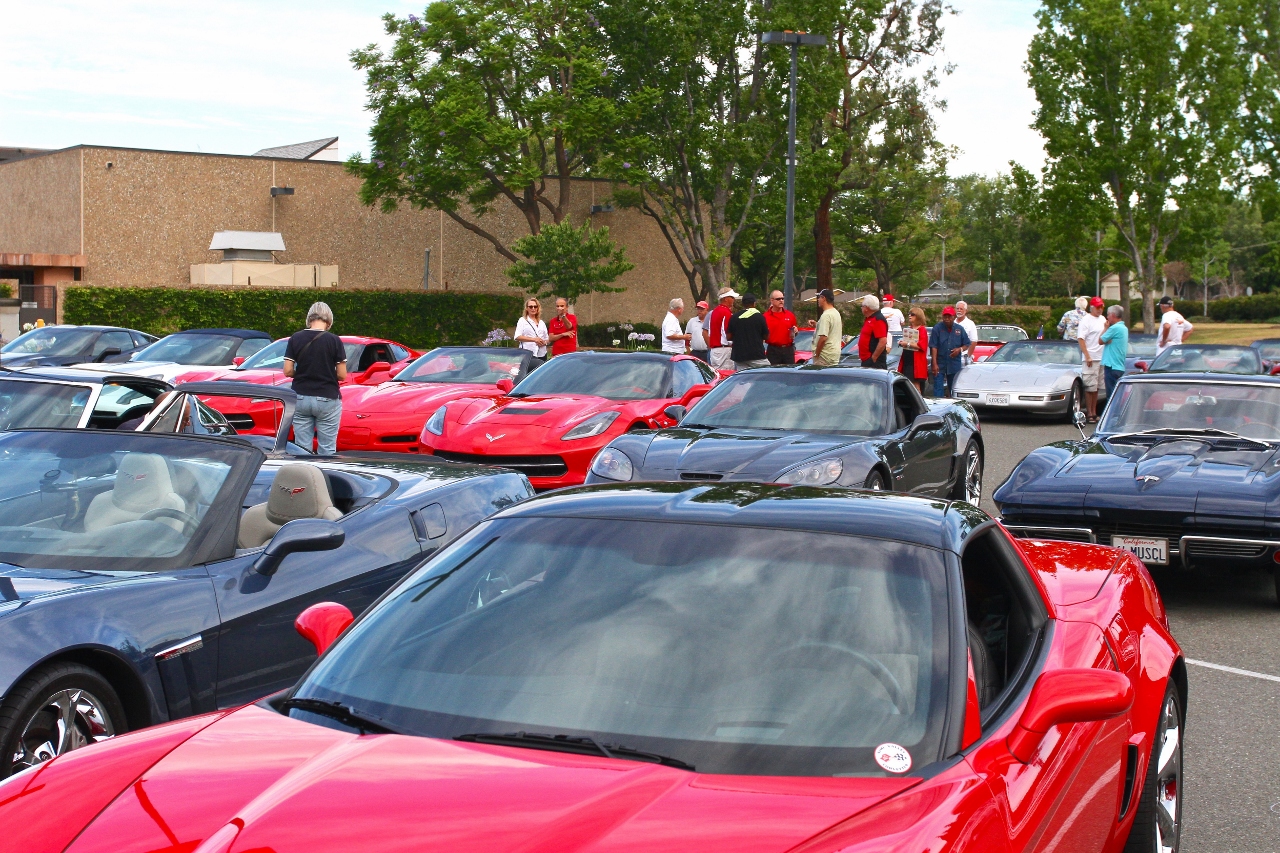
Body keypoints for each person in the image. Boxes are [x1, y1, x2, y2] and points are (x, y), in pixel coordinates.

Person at [283, 301, 347, 456]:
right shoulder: (334, 340)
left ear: (309, 319)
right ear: (329, 320)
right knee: (327, 448)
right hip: (328, 397)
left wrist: (304, 373)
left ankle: (305, 478)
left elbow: (287, 371)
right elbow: (342, 375)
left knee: (302, 448)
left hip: (300, 397)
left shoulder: (295, 338)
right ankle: (326, 478)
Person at [1076, 296, 1106, 422]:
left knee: (1097, 387)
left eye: (1101, 307)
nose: (1100, 310)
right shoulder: (1086, 320)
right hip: (1091, 357)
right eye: (1098, 307)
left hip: (1101, 356)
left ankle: (1094, 411)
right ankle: (1090, 413)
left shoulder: (1102, 319)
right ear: (1092, 307)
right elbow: (1081, 338)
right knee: (1090, 386)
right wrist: (1087, 355)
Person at [929, 306, 970, 398]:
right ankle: (938, 406)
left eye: (949, 317)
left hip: (954, 363)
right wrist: (934, 363)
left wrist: (959, 349)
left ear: (954, 317)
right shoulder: (937, 328)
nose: (947, 319)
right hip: (940, 362)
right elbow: (934, 346)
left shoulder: (959, 329)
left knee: (953, 388)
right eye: (945, 317)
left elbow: (967, 344)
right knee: (938, 388)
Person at [728, 293, 769, 371]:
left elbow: (728, 336)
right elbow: (766, 336)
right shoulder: (759, 317)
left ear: (743, 304)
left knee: (744, 379)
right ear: (754, 303)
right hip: (756, 355)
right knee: (766, 373)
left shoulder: (734, 317)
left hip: (739, 356)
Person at [1100, 304, 1129, 400]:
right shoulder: (1124, 328)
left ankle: (1113, 414)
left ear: (1113, 315)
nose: (1107, 317)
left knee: (1111, 396)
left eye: (1108, 314)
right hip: (1119, 365)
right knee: (1117, 394)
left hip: (1111, 366)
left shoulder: (1114, 328)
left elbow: (1100, 340)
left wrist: (1105, 328)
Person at [898, 306, 929, 394]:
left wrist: (907, 344)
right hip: (907, 359)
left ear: (918, 316)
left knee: (915, 384)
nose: (910, 316)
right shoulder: (909, 329)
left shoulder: (922, 330)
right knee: (907, 383)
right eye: (909, 314)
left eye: (912, 314)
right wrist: (902, 342)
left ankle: (918, 402)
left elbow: (922, 345)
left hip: (916, 362)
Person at [707, 288, 737, 371]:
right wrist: (733, 342)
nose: (733, 300)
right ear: (726, 299)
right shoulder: (726, 312)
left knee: (716, 375)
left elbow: (710, 332)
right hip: (724, 349)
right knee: (726, 376)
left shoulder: (714, 312)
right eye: (732, 297)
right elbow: (726, 332)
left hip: (714, 350)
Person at [764, 290, 798, 365]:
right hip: (773, 350)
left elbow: (794, 333)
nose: (781, 301)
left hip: (788, 349)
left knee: (789, 373)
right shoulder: (765, 317)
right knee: (773, 374)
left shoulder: (790, 315)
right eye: (778, 299)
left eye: (782, 298)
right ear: (772, 300)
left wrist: (796, 331)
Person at [812, 289, 843, 367]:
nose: (818, 300)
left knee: (820, 378)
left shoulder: (826, 316)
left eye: (819, 297)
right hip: (834, 355)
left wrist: (816, 353)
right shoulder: (836, 313)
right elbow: (831, 329)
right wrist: (817, 324)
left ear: (824, 298)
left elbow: (823, 337)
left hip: (824, 356)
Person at [857, 294, 889, 368]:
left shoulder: (878, 319)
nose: (861, 308)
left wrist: (873, 358)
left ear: (866, 308)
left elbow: (883, 341)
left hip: (873, 361)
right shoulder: (869, 318)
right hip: (866, 359)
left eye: (862, 306)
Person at [514, 298, 549, 365]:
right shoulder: (522, 320)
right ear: (527, 308)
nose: (533, 308)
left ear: (537, 308)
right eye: (530, 307)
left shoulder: (541, 323)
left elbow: (547, 339)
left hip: (541, 353)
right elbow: (517, 336)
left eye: (535, 306)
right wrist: (534, 340)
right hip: (528, 353)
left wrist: (543, 342)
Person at [955, 301, 978, 365]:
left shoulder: (970, 324)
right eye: (957, 308)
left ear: (966, 311)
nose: (959, 310)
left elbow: (974, 341)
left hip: (964, 357)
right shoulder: (952, 323)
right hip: (953, 357)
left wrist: (968, 356)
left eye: (961, 309)